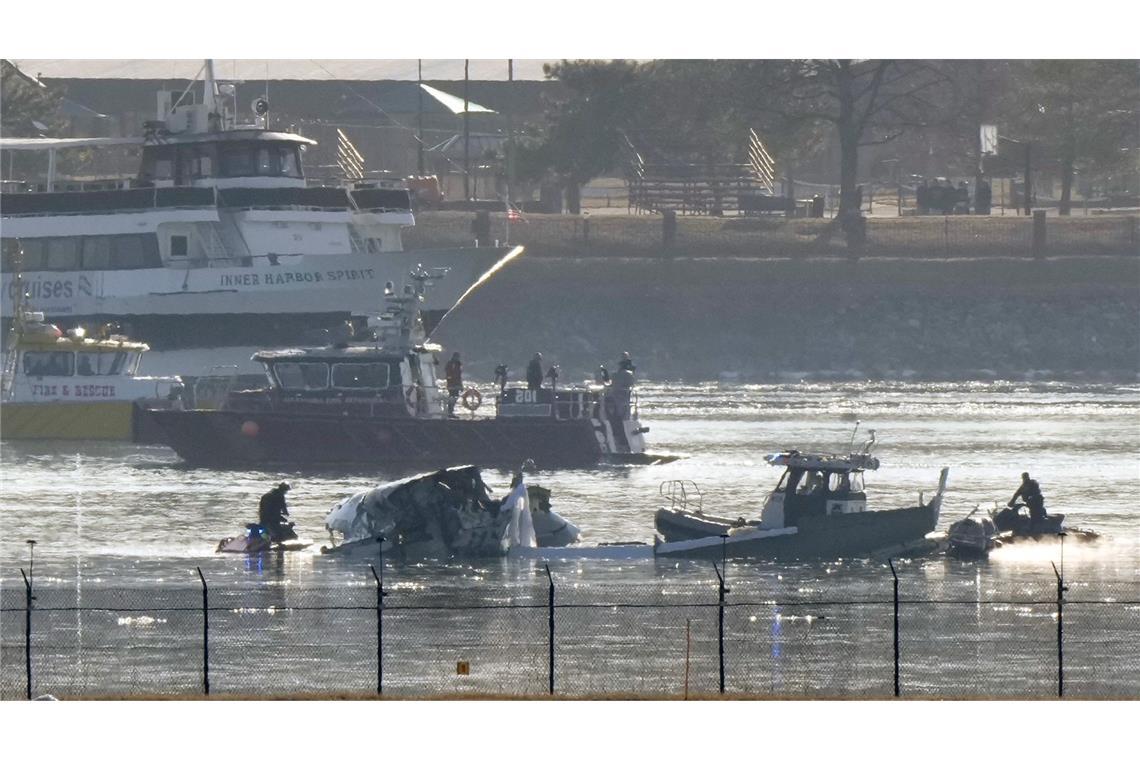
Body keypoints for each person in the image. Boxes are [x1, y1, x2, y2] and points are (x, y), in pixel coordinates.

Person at [444, 352, 463, 417]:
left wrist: (460, 385)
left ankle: (451, 411)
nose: (457, 358)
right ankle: (449, 411)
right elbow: (448, 374)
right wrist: (450, 381)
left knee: (455, 397)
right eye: (456, 357)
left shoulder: (459, 364)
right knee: (452, 396)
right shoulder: (450, 364)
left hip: (457, 383)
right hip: (451, 384)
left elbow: (459, 375)